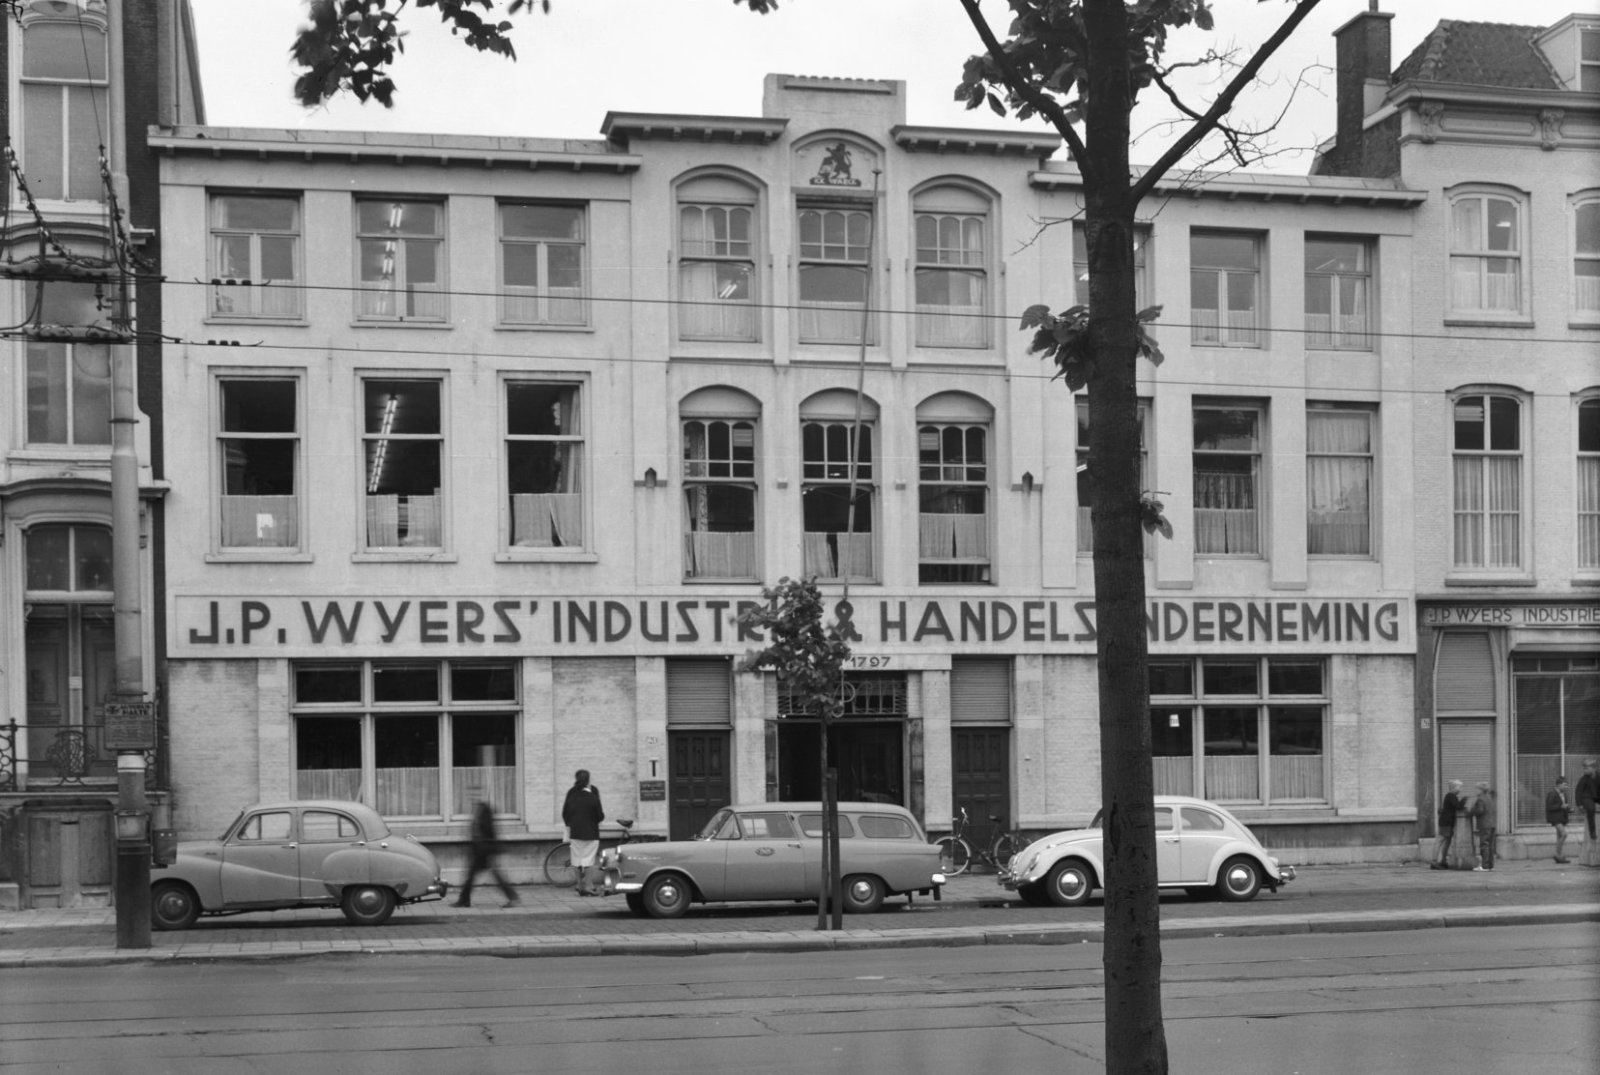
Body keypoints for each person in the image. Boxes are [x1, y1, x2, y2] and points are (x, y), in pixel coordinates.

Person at [454, 798, 518, 908]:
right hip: (481, 850)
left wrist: (483, 845)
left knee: (478, 875)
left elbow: (487, 832)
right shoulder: (480, 811)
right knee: (473, 875)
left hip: (484, 851)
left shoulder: (484, 812)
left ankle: (512, 897)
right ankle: (464, 899)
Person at [562, 769, 605, 895]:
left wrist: (571, 825)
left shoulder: (571, 795)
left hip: (575, 832)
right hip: (591, 832)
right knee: (589, 860)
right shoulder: (593, 797)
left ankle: (579, 885)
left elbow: (565, 813)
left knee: (576, 860)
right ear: (588, 780)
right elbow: (600, 816)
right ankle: (589, 886)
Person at [1431, 779, 1465, 870]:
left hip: (1447, 822)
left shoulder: (1451, 796)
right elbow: (1458, 806)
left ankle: (1443, 861)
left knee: (1447, 842)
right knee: (1440, 840)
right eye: (1459, 787)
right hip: (1446, 823)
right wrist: (1464, 800)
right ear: (1454, 788)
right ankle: (1434, 861)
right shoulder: (1451, 796)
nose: (1460, 790)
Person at [1576, 759, 1599, 868]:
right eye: (1584, 768)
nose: (1585, 770)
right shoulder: (1584, 779)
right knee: (1590, 808)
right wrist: (1579, 804)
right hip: (1587, 797)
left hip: (1596, 797)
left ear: (1594, 768)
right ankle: (1592, 831)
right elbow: (1578, 791)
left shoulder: (1598, 776)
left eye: (1587, 768)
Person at [1469, 782, 1497, 871]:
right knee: (1490, 846)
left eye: (1476, 789)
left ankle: (1485, 866)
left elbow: (1480, 810)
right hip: (1492, 824)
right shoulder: (1489, 798)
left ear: (1480, 790)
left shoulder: (1480, 799)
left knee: (1484, 845)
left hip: (1484, 824)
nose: (1475, 791)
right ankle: (1490, 865)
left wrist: (1472, 810)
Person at [1546, 775, 1572, 864]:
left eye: (1566, 785)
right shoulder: (1552, 793)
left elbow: (1564, 806)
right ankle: (1557, 853)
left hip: (1562, 818)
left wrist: (1568, 809)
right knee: (1564, 834)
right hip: (1555, 818)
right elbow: (1549, 807)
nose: (1566, 787)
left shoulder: (1564, 794)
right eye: (1564, 785)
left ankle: (1559, 856)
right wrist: (1561, 806)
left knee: (1559, 837)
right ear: (1558, 784)